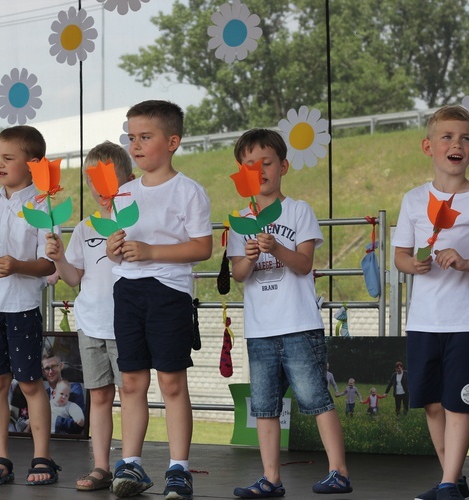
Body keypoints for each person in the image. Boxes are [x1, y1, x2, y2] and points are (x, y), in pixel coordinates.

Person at [227, 129, 352, 498]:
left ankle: (339, 472)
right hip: (260, 329)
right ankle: (271, 478)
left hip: (299, 325)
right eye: (249, 164)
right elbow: (237, 274)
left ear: (283, 166)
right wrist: (249, 259)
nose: (259, 170)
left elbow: (304, 264)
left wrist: (276, 248)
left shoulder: (298, 210)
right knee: (264, 407)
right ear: (241, 171)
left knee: (316, 399)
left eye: (266, 162)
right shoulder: (240, 218)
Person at [106, 100, 212, 500]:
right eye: (131, 137)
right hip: (127, 290)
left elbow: (202, 248)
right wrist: (116, 248)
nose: (135, 145)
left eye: (145, 137)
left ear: (172, 142)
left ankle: (178, 468)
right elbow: (116, 250)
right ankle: (130, 462)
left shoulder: (189, 192)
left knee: (171, 382)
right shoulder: (123, 192)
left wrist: (150, 252)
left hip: (169, 293)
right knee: (131, 381)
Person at [0, 125, 60, 487]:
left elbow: (49, 264)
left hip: (20, 306)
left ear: (33, 163)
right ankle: (0, 457)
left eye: (8, 158)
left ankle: (43, 457)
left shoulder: (43, 204)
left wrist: (18, 265)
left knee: (30, 381)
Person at [393, 105, 469, 500]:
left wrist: (466, 263)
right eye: (446, 137)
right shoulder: (412, 200)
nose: (455, 144)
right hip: (424, 321)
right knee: (431, 403)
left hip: (468, 322)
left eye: (463, 138)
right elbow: (400, 257)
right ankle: (453, 479)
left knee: (460, 403)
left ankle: (446, 483)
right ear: (428, 146)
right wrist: (415, 264)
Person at [44, 140, 132, 491]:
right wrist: (59, 258)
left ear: (128, 178)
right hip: (91, 324)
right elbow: (73, 277)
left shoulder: (134, 222)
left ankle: (130, 462)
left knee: (131, 395)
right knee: (98, 396)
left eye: (108, 178)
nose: (100, 187)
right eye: (93, 180)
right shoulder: (84, 227)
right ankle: (101, 466)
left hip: (126, 325)